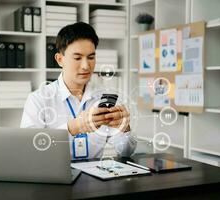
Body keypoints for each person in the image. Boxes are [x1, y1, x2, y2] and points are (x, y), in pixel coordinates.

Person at [21, 22, 136, 159]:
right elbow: (30, 149)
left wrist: (124, 128)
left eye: (91, 57)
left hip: (95, 178)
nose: (86, 66)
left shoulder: (104, 98)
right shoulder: (38, 99)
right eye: (77, 58)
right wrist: (74, 127)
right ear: (59, 60)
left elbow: (126, 152)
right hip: (54, 177)